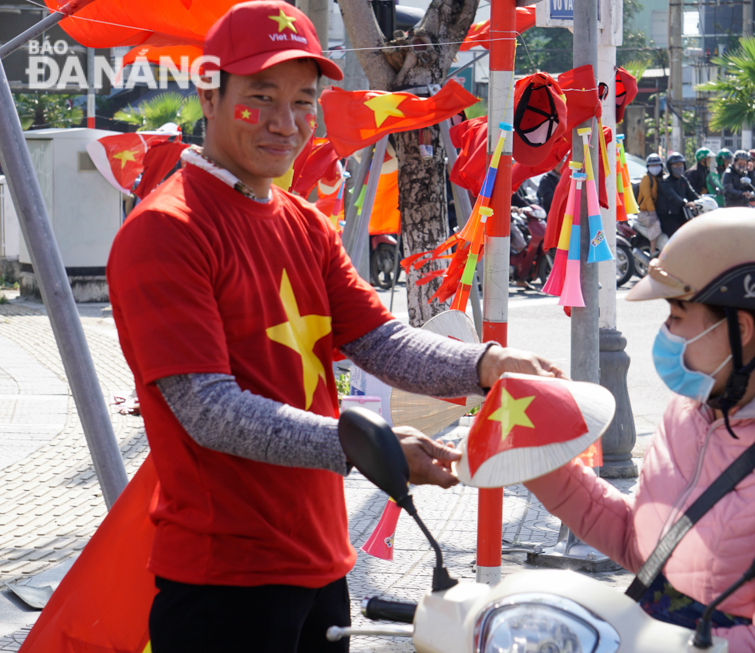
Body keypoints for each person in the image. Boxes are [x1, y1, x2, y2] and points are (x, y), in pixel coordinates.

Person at [105, 3, 564, 652]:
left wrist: (487, 364)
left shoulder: (304, 222)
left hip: (322, 561)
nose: (284, 122)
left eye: (303, 99)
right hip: (223, 581)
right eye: (260, 96)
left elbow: (380, 341)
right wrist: (362, 443)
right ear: (209, 92)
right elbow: (207, 408)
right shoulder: (165, 231)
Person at [525, 210, 755, 653]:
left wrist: (644, 645)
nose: (666, 333)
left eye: (678, 316)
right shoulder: (687, 413)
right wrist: (536, 454)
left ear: (738, 328)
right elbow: (640, 546)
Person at [656, 152, 700, 237]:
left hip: (681, 214)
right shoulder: (665, 181)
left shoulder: (683, 180)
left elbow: (692, 194)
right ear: (670, 166)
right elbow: (672, 196)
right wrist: (685, 203)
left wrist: (702, 200)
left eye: (681, 164)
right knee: (677, 237)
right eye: (675, 165)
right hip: (668, 216)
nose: (679, 167)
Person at [635, 153, 663, 241]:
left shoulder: (658, 178)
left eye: (657, 165)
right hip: (644, 211)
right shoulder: (646, 178)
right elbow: (647, 197)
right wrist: (652, 212)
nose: (655, 167)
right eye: (652, 165)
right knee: (655, 226)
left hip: (653, 210)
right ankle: (653, 250)